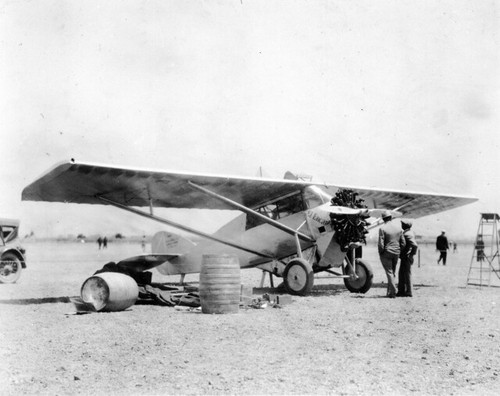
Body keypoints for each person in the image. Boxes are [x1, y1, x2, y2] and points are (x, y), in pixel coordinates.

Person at [378, 211, 405, 298]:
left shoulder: (382, 228)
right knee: (392, 272)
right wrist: (399, 250)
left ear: (383, 219)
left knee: (389, 272)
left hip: (386, 252)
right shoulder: (399, 228)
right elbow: (403, 243)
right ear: (391, 217)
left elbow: (381, 244)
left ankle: (393, 292)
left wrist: (381, 252)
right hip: (396, 252)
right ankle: (389, 292)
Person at [397, 219, 418, 297]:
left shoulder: (407, 234)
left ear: (405, 225)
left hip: (406, 257)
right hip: (405, 257)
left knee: (406, 274)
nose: (401, 225)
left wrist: (412, 254)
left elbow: (415, 245)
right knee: (403, 274)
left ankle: (408, 291)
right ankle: (402, 291)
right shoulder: (409, 232)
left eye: (402, 224)